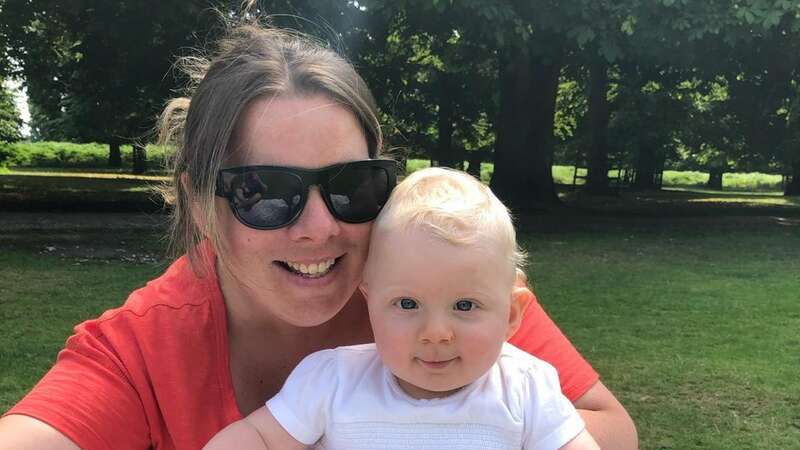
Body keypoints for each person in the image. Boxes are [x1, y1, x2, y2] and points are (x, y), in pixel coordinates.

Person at [0, 17, 637, 450]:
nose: (321, 227)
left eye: (352, 185)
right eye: (266, 192)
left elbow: (610, 428)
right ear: (198, 201)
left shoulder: (436, 283)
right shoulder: (143, 346)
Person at [203, 167, 600, 450]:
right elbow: (259, 438)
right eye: (407, 303)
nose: (436, 332)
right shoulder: (332, 382)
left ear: (512, 315)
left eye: (465, 305)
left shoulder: (527, 390)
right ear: (369, 302)